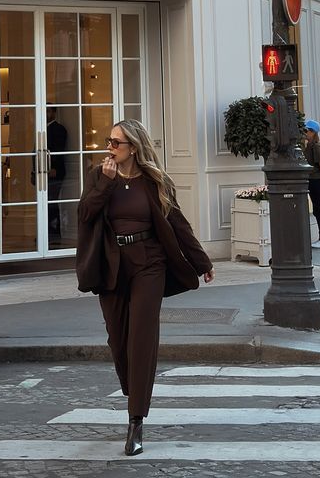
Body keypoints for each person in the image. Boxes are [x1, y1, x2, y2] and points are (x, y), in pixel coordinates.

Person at [76, 119, 215, 456]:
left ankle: (136, 419)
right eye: (108, 141)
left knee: (142, 337)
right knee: (118, 340)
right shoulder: (99, 176)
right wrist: (106, 184)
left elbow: (177, 223)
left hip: (149, 263)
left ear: (133, 148)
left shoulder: (155, 181)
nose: (109, 148)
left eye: (115, 143)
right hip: (112, 264)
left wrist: (202, 262)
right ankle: (133, 386)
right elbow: (84, 215)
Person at [303, 119, 320, 249]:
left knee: (318, 210)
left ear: (313, 132)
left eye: (307, 130)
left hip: (316, 181)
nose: (305, 133)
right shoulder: (308, 146)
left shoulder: (316, 146)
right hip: (310, 180)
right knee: (316, 210)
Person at [46, 106, 67, 242]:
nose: (46, 114)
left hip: (55, 171)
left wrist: (53, 167)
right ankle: (46, 232)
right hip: (43, 171)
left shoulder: (59, 129)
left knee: (53, 201)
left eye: (48, 111)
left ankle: (54, 232)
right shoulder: (41, 128)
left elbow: (59, 150)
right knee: (46, 201)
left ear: (54, 112)